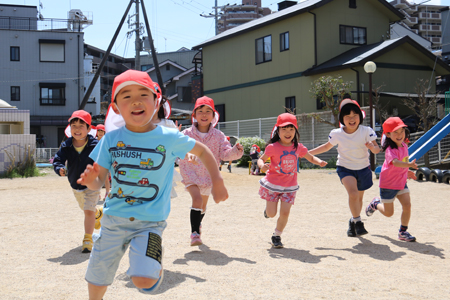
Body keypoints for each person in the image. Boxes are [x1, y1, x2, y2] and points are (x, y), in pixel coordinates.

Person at [77, 70, 228, 299]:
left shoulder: (168, 137)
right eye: (126, 96)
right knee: (98, 276)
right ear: (116, 107)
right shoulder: (109, 139)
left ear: (156, 101)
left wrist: (217, 180)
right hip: (112, 221)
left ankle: (153, 259)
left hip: (149, 223)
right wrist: (91, 182)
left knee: (144, 281)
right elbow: (99, 182)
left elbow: (203, 151)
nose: (135, 100)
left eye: (143, 94)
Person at [309, 99, 380, 237]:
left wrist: (373, 148)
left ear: (360, 116)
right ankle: (359, 221)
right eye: (347, 116)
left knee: (358, 199)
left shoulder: (367, 131)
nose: (351, 119)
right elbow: (325, 147)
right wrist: (307, 153)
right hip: (345, 168)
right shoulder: (337, 134)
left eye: (355, 115)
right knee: (353, 194)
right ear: (342, 119)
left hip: (363, 168)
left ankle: (352, 221)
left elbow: (377, 149)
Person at [178, 96, 244, 246]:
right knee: (197, 199)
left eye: (208, 111)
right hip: (190, 173)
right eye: (200, 111)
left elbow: (225, 154)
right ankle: (195, 233)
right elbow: (177, 151)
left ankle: (198, 223)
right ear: (194, 115)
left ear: (213, 116)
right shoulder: (186, 134)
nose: (204, 114)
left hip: (208, 176)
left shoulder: (218, 135)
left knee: (203, 206)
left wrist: (236, 151)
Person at [258, 113, 327, 248]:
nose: (288, 132)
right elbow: (261, 159)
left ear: (295, 131)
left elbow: (311, 157)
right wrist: (262, 166)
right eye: (284, 129)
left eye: (291, 129)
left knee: (285, 213)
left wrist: (319, 162)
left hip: (290, 187)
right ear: (278, 130)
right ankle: (267, 212)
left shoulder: (298, 147)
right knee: (272, 214)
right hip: (273, 185)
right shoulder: (272, 147)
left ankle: (277, 235)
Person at [52, 110, 103, 253]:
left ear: (88, 129)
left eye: (81, 126)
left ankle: (88, 238)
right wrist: (60, 168)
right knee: (86, 209)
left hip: (92, 184)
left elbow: (104, 160)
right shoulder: (66, 145)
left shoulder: (95, 145)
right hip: (75, 184)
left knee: (87, 211)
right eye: (74, 125)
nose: (77, 129)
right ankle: (98, 213)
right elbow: (58, 160)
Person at [365, 117, 418, 242]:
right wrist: (409, 165)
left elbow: (402, 163)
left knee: (407, 205)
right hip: (388, 184)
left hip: (400, 182)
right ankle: (375, 204)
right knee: (389, 213)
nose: (400, 135)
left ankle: (403, 232)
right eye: (396, 132)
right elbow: (396, 163)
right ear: (388, 135)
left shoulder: (404, 146)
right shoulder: (390, 150)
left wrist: (407, 172)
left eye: (402, 131)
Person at [151, 95, 183, 198]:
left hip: (165, 166)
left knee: (164, 198)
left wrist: (177, 134)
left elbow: (177, 143)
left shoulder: (168, 123)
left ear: (160, 104)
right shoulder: (140, 124)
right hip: (146, 166)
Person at [96, 124, 110, 200]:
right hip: (95, 162)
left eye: (102, 131)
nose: (100, 132)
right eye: (99, 131)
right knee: (96, 178)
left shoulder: (106, 140)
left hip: (104, 161)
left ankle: (107, 193)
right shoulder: (93, 140)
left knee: (106, 178)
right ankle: (97, 193)